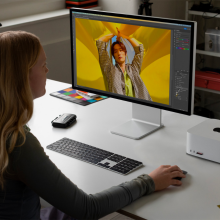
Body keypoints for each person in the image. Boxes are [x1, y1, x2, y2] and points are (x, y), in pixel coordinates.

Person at [0, 31, 186, 220]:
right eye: (43, 65)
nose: (47, 70)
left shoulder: (133, 67)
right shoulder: (18, 143)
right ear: (22, 75)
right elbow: (87, 209)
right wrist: (150, 181)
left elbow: (139, 51)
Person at [96, 28, 152, 100]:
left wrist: (125, 36)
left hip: (139, 106)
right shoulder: (110, 70)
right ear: (114, 56)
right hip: (119, 107)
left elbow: (139, 50)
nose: (119, 53)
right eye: (115, 51)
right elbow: (100, 42)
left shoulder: (134, 68)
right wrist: (114, 33)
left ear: (125, 54)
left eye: (121, 50)